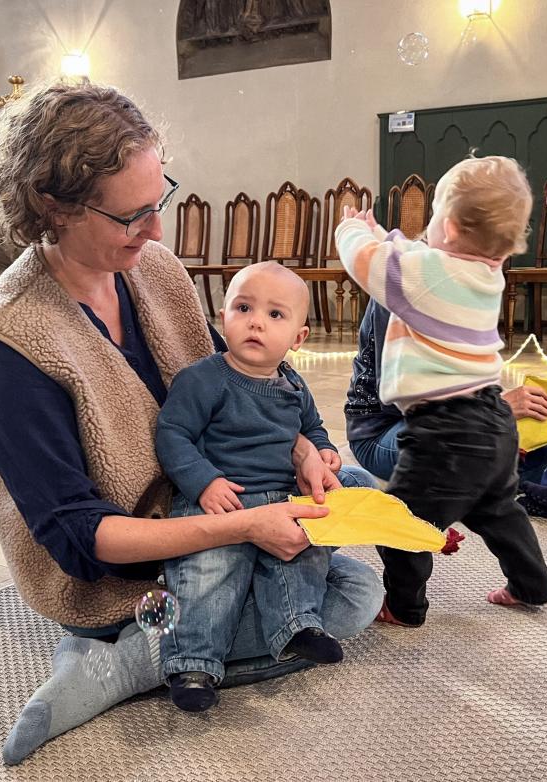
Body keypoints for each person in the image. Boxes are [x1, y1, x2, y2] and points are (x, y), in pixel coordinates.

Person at [0, 80, 382, 765]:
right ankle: (121, 664)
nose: (156, 231)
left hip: (210, 493)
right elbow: (82, 542)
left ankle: (165, 648)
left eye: (160, 202)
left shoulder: (154, 269)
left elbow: (239, 388)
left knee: (352, 491)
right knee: (355, 596)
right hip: (118, 567)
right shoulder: (11, 348)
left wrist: (303, 448)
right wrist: (245, 526)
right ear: (51, 206)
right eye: (132, 216)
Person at [335, 154, 547, 627]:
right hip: (495, 421)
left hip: (443, 432)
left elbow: (368, 263)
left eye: (433, 215)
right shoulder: (485, 272)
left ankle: (404, 607)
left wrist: (353, 231)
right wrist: (387, 237)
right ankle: (533, 585)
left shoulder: (430, 276)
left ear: (450, 228)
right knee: (500, 511)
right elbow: (417, 256)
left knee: (403, 525)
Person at [155, 263, 349, 712]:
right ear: (224, 316)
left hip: (280, 494)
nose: (256, 321)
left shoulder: (293, 385)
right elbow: (172, 434)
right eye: (244, 308)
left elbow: (313, 428)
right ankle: (193, 665)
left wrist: (324, 454)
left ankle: (299, 626)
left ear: (298, 339)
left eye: (275, 315)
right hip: (221, 501)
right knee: (209, 572)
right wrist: (203, 482)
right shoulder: (203, 379)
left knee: (308, 549)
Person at [346, 300, 547, 487]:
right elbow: (399, 399)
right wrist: (495, 410)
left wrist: (529, 426)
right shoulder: (397, 289)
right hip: (385, 433)